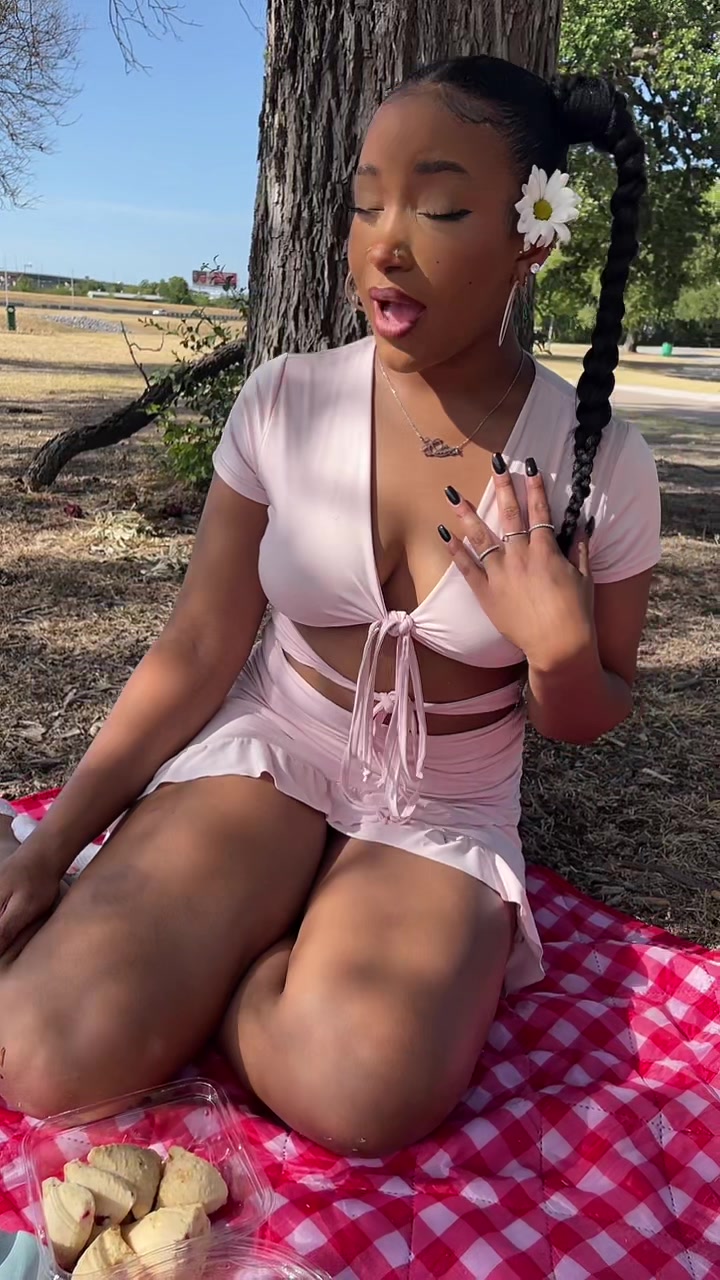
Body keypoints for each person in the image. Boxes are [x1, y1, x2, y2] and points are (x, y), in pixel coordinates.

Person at [0, 55, 660, 1155]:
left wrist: (557, 655)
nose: (384, 243)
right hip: (274, 744)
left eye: (439, 209)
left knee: (360, 1094)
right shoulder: (286, 401)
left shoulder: (601, 464)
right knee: (41, 1050)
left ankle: (251, 963)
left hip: (441, 802)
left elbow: (596, 707)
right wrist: (52, 844)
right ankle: (233, 928)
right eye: (366, 203)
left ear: (531, 236)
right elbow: (200, 644)